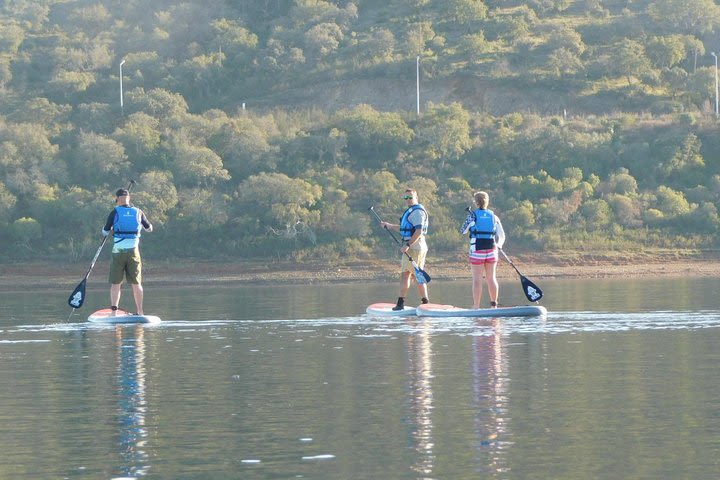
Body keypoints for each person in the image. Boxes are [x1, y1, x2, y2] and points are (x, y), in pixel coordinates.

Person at [102, 188, 153, 315]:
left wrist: (113, 228)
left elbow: (105, 231)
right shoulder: (138, 212)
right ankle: (140, 312)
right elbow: (149, 228)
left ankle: (114, 313)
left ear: (117, 199)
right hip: (133, 252)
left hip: (118, 252)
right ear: (129, 198)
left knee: (116, 283)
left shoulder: (115, 212)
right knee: (136, 283)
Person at [379, 188, 430, 310]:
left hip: (414, 247)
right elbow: (404, 229)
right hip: (416, 246)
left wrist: (408, 245)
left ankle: (401, 304)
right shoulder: (411, 211)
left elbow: (418, 231)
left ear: (416, 197)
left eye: (410, 197)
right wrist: (390, 226)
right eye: (406, 198)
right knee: (415, 275)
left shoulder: (417, 212)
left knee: (407, 275)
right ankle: (425, 302)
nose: (408, 200)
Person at [460, 191, 505, 309]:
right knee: (491, 278)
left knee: (477, 280)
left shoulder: (472, 216)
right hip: (492, 249)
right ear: (487, 201)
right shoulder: (494, 216)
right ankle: (494, 304)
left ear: (476, 202)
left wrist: (470, 222)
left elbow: (463, 231)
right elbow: (502, 235)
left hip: (477, 250)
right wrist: (499, 245)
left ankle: (476, 306)